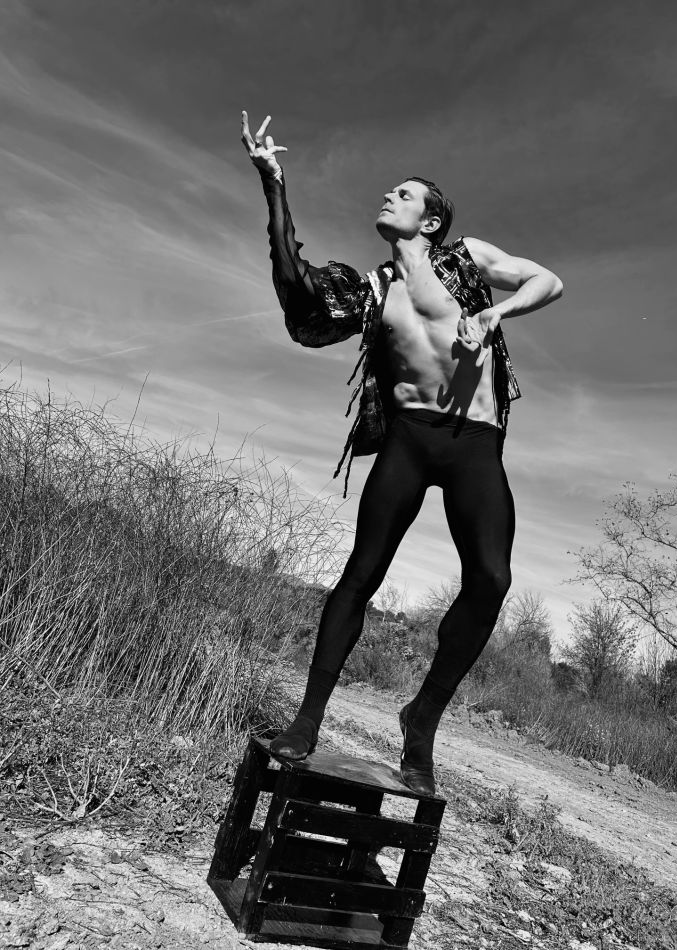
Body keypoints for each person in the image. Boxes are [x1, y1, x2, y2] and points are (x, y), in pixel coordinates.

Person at [241, 111, 563, 795]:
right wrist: (274, 184)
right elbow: (298, 293)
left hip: (474, 441)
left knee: (491, 581)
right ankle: (307, 720)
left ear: (431, 221)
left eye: (405, 193)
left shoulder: (467, 259)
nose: (389, 195)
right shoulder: (372, 289)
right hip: (410, 440)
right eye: (392, 190)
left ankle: (422, 720)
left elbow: (547, 281)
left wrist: (495, 313)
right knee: (361, 573)